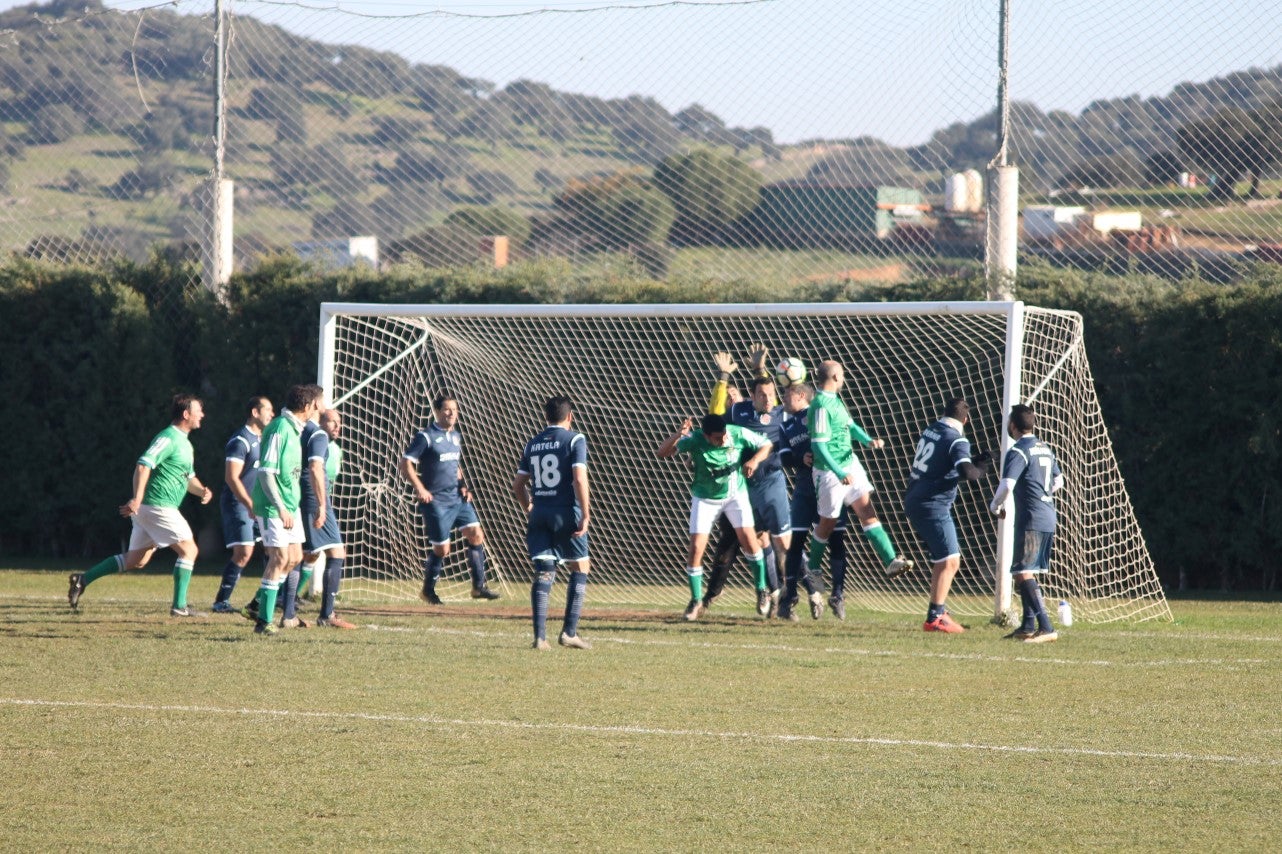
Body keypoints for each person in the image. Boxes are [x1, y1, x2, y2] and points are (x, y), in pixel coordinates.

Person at [69, 394, 214, 615]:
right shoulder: (169, 438)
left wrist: (201, 490)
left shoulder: (184, 443)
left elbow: (188, 478)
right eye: (198, 411)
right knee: (189, 550)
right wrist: (136, 498)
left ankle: (82, 579)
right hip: (158, 505)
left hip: (152, 508)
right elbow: (143, 465)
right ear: (186, 414)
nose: (202, 415)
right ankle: (179, 606)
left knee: (136, 560)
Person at [805, 360, 912, 619]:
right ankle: (813, 568)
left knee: (868, 511)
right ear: (833, 376)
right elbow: (819, 447)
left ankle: (890, 561)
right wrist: (840, 473)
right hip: (830, 472)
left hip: (849, 464)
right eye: (841, 374)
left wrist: (867, 440)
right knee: (827, 525)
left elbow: (849, 426)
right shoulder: (820, 405)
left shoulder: (835, 400)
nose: (844, 378)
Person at [657, 413, 773, 621]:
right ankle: (695, 600)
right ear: (707, 436)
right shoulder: (695, 440)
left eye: (724, 435)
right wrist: (678, 435)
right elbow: (662, 453)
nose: (723, 440)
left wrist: (754, 460)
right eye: (717, 438)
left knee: (749, 540)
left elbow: (766, 445)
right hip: (705, 498)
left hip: (735, 495)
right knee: (696, 549)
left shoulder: (737, 434)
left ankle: (762, 589)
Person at [700, 346, 786, 617]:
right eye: (728, 395)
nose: (731, 397)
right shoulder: (735, 415)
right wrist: (723, 378)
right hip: (737, 489)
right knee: (729, 543)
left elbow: (766, 390)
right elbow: (715, 411)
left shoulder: (769, 409)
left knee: (767, 541)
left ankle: (775, 594)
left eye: (734, 393)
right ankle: (711, 595)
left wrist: (760, 369)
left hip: (766, 485)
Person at [903, 397, 993, 633]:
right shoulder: (957, 439)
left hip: (916, 497)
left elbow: (942, 462)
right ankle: (935, 617)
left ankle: (937, 611)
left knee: (943, 560)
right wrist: (982, 468)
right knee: (951, 561)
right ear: (966, 419)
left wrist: (972, 462)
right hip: (932, 504)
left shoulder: (932, 429)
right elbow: (967, 473)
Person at [400, 392, 500, 604]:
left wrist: (464, 486)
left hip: (457, 499)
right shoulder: (425, 436)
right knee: (442, 549)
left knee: (476, 534)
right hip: (436, 502)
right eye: (447, 409)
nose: (452, 413)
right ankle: (428, 591)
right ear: (437, 411)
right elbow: (405, 463)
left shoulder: (456, 436)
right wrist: (420, 488)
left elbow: (455, 466)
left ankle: (478, 587)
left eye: (454, 409)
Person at [242, 383, 324, 636]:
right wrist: (279, 507)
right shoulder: (279, 428)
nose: (320, 408)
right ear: (308, 406)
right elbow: (266, 473)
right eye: (317, 404)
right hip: (273, 506)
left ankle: (257, 604)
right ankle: (263, 622)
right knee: (279, 559)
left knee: (295, 558)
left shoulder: (293, 429)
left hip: (289, 504)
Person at [513, 395, 592, 650]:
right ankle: (569, 632)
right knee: (580, 568)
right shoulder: (575, 439)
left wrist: (530, 508)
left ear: (545, 417)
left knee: (545, 571)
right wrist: (586, 513)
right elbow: (579, 479)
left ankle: (540, 637)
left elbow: (517, 485)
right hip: (566, 511)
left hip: (540, 514)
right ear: (570, 416)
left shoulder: (532, 443)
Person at [778, 381, 852, 621]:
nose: (783, 399)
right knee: (796, 542)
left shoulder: (820, 413)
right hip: (804, 491)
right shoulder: (786, 425)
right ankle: (789, 599)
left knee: (836, 539)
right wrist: (802, 457)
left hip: (830, 486)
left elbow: (840, 439)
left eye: (787, 394)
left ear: (801, 396)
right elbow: (785, 457)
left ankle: (838, 594)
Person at [989, 404, 1063, 643]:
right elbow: (1059, 481)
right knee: (1026, 570)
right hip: (1047, 514)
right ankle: (1028, 626)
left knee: (1022, 572)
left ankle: (1047, 626)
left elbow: (1007, 484)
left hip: (1031, 516)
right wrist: (1042, 493)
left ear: (1012, 425)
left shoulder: (1019, 451)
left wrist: (995, 506)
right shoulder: (1045, 448)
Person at [212, 396, 274, 613]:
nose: (272, 414)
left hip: (258, 504)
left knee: (273, 549)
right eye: (268, 409)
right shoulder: (240, 440)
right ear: (255, 413)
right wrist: (248, 504)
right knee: (244, 552)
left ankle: (264, 600)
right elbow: (232, 477)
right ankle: (221, 601)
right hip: (238, 503)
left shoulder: (264, 438)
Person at [296, 408, 357, 629]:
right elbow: (314, 469)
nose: (337, 427)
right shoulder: (318, 436)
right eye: (332, 422)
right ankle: (326, 615)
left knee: (301, 554)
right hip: (314, 499)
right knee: (336, 551)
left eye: (339, 422)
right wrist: (322, 505)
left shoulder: (315, 438)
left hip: (309, 498)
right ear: (321, 420)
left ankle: (284, 606)